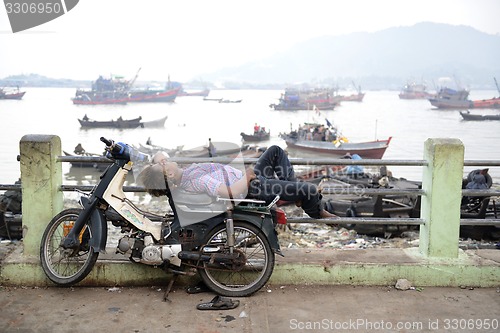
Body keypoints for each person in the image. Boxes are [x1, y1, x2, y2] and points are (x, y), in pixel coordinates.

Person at [138, 145, 338, 219]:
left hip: (250, 179)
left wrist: (157, 165)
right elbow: (230, 192)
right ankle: (316, 211)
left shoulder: (184, 174)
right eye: (163, 165)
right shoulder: (196, 180)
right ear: (170, 175)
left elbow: (158, 156)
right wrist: (248, 175)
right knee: (309, 190)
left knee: (275, 151)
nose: (165, 161)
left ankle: (295, 196)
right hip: (253, 188)